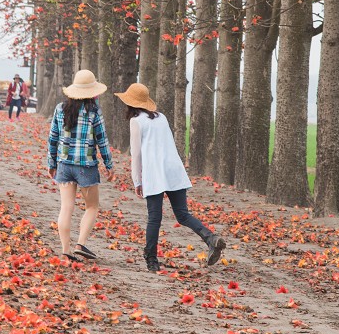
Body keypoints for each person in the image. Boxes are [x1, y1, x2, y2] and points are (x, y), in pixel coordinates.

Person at [115, 82, 226, 273]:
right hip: (173, 169)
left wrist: (137, 180)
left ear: (130, 103)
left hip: (155, 172)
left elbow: (137, 154)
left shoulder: (136, 121)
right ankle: (210, 238)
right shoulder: (161, 117)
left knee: (154, 218)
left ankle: (151, 260)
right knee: (182, 214)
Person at [47, 69, 114, 262]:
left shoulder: (60, 109)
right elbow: (102, 140)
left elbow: (53, 138)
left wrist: (51, 163)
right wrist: (109, 164)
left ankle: (66, 249)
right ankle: (80, 244)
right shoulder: (94, 111)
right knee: (92, 206)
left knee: (66, 207)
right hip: (86, 166)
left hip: (64, 165)